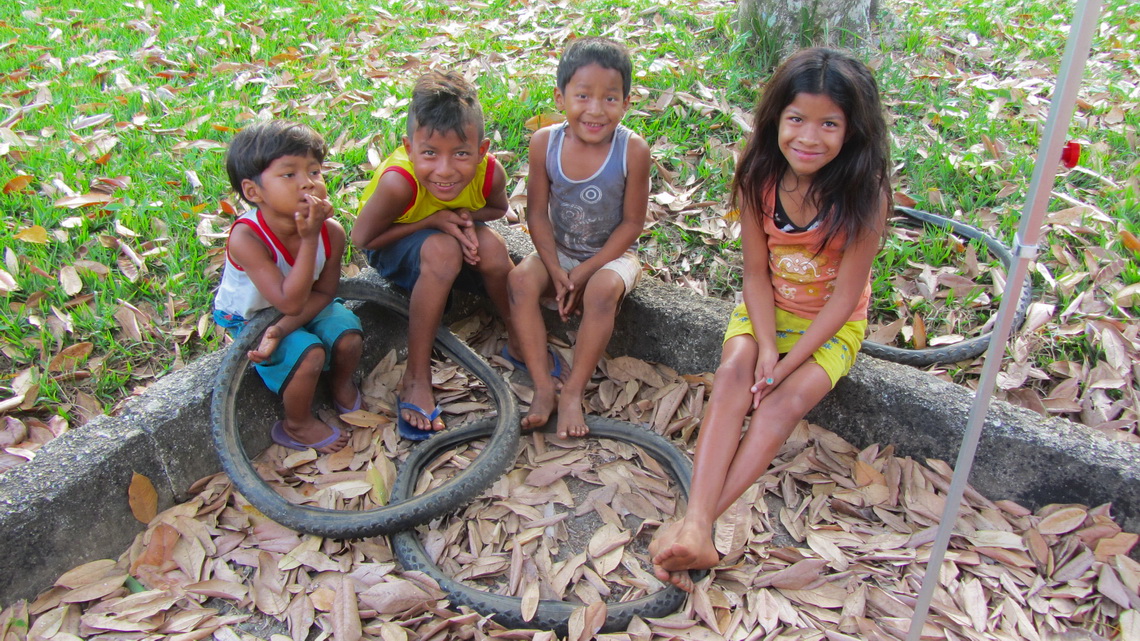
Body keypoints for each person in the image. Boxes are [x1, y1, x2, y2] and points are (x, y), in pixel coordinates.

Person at [650, 48, 891, 591]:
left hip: (829, 325)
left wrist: (788, 364)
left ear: (853, 131)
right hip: (769, 307)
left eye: (829, 123)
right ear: (776, 118)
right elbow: (755, 275)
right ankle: (698, 526)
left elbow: (843, 299)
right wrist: (763, 347)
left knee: (782, 400)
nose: (809, 137)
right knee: (734, 371)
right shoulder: (759, 174)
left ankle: (696, 525)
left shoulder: (864, 194)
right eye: (796, 119)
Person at [351, 71, 514, 440]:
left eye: (460, 153)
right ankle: (416, 379)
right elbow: (364, 238)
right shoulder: (399, 183)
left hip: (448, 240)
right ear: (409, 149)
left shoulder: (490, 174)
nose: (444, 170)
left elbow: (497, 210)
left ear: (482, 150)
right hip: (393, 244)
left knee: (492, 247)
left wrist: (462, 219)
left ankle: (519, 337)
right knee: (441, 251)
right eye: (429, 153)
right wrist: (434, 220)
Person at [507, 37, 650, 439]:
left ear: (626, 102)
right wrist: (554, 269)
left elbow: (632, 225)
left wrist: (586, 270)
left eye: (610, 98)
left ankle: (572, 392)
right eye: (583, 95)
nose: (595, 109)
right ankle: (542, 386)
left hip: (611, 256)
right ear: (560, 96)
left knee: (602, 290)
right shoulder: (544, 143)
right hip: (560, 251)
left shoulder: (632, 150)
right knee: (518, 280)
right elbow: (536, 213)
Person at [214, 120, 363, 454]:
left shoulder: (331, 232)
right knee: (308, 355)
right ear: (253, 192)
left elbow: (323, 294)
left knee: (348, 334)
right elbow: (287, 301)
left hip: (306, 302)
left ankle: (339, 383)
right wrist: (309, 239)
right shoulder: (247, 238)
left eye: (314, 171)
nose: (307, 183)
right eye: (289, 174)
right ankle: (295, 423)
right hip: (253, 316)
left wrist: (281, 330)